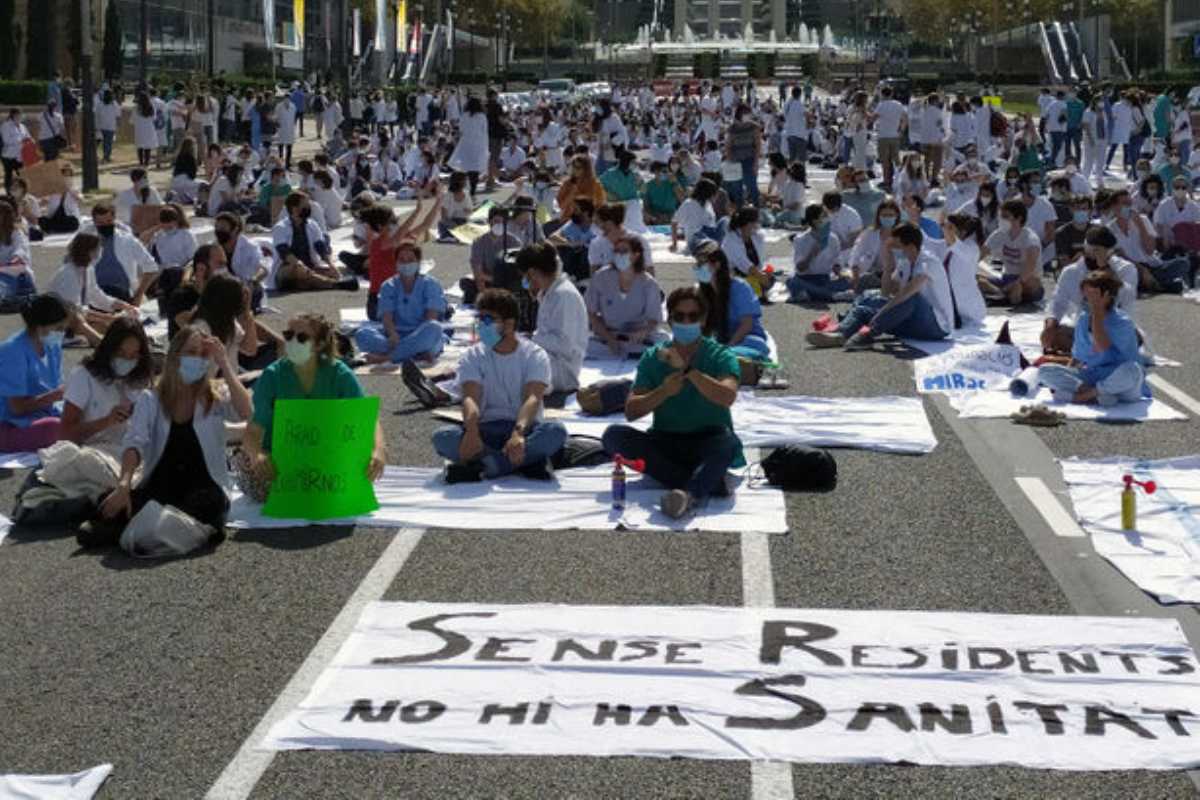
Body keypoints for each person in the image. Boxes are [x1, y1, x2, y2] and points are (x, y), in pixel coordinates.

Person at [75, 325, 252, 548]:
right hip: (163, 484)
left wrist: (224, 362)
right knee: (107, 507)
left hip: (203, 486)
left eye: (202, 354)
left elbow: (247, 412)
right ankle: (156, 527)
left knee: (208, 506)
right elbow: (134, 443)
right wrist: (123, 485)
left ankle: (145, 528)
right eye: (190, 352)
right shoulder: (151, 399)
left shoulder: (215, 395)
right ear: (174, 356)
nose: (197, 358)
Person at [600, 286, 742, 520]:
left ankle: (688, 494)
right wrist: (663, 392)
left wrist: (688, 371)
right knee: (613, 436)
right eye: (679, 316)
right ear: (670, 319)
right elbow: (631, 411)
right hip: (665, 440)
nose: (686, 322)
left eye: (693, 316)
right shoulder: (654, 356)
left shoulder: (720, 355)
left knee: (728, 443)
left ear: (703, 319)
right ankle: (704, 482)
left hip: (707, 439)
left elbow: (727, 396)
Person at [234, 313, 386, 502]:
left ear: (320, 344)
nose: (292, 342)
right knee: (250, 469)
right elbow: (253, 431)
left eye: (302, 337)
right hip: (281, 457)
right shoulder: (273, 375)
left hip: (326, 454)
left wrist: (378, 451)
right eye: (288, 335)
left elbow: (367, 417)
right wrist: (257, 455)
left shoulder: (338, 373)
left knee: (363, 463)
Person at [431, 289, 567, 483]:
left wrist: (518, 434)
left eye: (489, 320)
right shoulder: (472, 355)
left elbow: (533, 398)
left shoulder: (534, 355)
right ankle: (523, 463)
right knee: (442, 437)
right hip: (484, 431)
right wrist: (471, 431)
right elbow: (470, 398)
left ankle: (487, 466)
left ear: (509, 324)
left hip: (523, 429)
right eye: (480, 318)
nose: (481, 325)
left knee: (556, 432)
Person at [807, 222, 954, 349]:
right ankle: (839, 334)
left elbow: (906, 294)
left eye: (897, 245)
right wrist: (888, 263)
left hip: (935, 326)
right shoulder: (905, 262)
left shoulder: (929, 262)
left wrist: (881, 313)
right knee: (863, 309)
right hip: (912, 322)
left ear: (909, 245)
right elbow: (887, 291)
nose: (895, 249)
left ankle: (869, 333)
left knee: (911, 298)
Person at [1035, 273, 1147, 406]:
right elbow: (1077, 358)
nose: (1087, 298)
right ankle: (1094, 394)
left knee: (1132, 370)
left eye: (1092, 293)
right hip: (1093, 376)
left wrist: (1097, 313)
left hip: (1119, 380)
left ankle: (1084, 397)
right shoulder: (1084, 318)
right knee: (1044, 371)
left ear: (1107, 295)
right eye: (1085, 293)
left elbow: (1102, 348)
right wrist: (1069, 377)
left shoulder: (1122, 321)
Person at [60, 317, 153, 458]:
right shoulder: (84, 376)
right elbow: (65, 433)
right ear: (109, 349)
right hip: (93, 451)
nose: (127, 361)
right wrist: (106, 421)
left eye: (134, 355)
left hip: (131, 449)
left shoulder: (139, 376)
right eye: (121, 353)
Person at [1042, 227, 1139, 355]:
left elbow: (1126, 297)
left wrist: (1106, 268)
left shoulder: (1126, 269)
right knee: (1055, 336)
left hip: (1115, 329)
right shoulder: (1071, 272)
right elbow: (1058, 302)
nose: (1095, 256)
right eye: (1093, 251)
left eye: (1100, 251)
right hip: (1083, 328)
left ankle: (1096, 353)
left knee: (1133, 338)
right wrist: (1051, 323)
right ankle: (1089, 352)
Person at [354, 241, 447, 366]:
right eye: (402, 259)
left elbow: (431, 317)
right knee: (362, 334)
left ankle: (387, 357)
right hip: (395, 337)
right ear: (396, 263)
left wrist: (415, 339)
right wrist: (392, 334)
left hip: (421, 333)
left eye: (410, 259)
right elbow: (387, 317)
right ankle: (412, 353)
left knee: (434, 328)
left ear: (418, 262)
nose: (406, 263)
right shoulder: (388, 285)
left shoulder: (431, 284)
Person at [0, 294, 69, 451]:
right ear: (40, 327)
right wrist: (54, 396)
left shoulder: (52, 346)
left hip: (41, 414)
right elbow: (16, 408)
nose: (62, 333)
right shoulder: (12, 351)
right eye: (59, 328)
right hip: (8, 423)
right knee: (55, 428)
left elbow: (56, 389)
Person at [522, 242, 588, 395]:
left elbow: (564, 345)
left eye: (525, 276)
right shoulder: (550, 292)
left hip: (562, 371)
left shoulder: (563, 295)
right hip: (550, 360)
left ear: (532, 273)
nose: (525, 282)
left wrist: (531, 338)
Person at [584, 236, 664, 359]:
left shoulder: (648, 283)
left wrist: (642, 332)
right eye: (616, 251)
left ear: (636, 255)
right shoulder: (600, 277)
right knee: (584, 346)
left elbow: (654, 319)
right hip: (608, 335)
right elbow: (591, 313)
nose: (619, 255)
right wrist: (608, 338)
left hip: (638, 338)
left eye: (624, 252)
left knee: (663, 343)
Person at [271, 192, 358, 292]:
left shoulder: (312, 225)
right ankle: (335, 284)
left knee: (328, 272)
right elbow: (284, 252)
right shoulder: (280, 227)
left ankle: (307, 283)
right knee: (297, 269)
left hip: (309, 267)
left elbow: (320, 247)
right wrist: (300, 265)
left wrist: (331, 265)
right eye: (305, 205)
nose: (309, 207)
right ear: (294, 209)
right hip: (287, 269)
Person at [695, 245, 770, 361]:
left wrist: (728, 347)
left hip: (746, 339)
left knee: (737, 354)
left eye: (701, 265)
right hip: (720, 340)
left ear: (717, 265)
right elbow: (702, 326)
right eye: (697, 265)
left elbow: (747, 324)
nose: (697, 268)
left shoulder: (740, 287)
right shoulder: (701, 291)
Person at [87, 203, 159, 305]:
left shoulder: (127, 240)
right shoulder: (85, 241)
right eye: (100, 223)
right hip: (94, 297)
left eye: (108, 221)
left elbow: (151, 268)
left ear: (114, 219)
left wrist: (138, 296)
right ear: (94, 222)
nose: (105, 225)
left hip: (124, 296)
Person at [979, 200, 1045, 306]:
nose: (1001, 220)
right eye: (1001, 216)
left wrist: (1017, 283)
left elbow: (1031, 266)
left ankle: (1003, 295)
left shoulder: (1030, 238)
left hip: (1025, 280)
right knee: (977, 280)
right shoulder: (998, 234)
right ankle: (1003, 294)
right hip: (1007, 278)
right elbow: (980, 254)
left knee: (1029, 283)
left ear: (1019, 218)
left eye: (1005, 216)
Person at [464, 205, 523, 303]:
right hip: (489, 283)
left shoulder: (515, 242)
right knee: (467, 285)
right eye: (496, 221)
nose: (499, 224)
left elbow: (518, 272)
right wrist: (485, 296)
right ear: (489, 221)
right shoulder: (479, 242)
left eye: (502, 222)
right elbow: (478, 274)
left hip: (507, 283)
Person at [942, 213, 987, 329]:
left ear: (963, 231)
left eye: (950, 227)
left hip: (970, 310)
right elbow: (928, 243)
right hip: (953, 304)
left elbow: (955, 244)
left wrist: (949, 232)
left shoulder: (971, 248)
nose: (944, 230)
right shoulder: (948, 246)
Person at [721, 207, 774, 300]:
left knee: (770, 277)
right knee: (748, 284)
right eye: (757, 222)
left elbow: (760, 261)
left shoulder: (757, 236)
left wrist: (765, 273)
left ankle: (757, 290)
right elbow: (744, 264)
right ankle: (755, 291)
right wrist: (761, 276)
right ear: (749, 224)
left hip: (752, 275)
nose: (759, 225)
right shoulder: (731, 240)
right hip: (735, 274)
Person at [449, 97, 490, 196]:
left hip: (466, 143)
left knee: (465, 167)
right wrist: (486, 145)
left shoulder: (464, 116)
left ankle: (462, 187)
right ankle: (473, 189)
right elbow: (484, 131)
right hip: (478, 144)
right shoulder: (482, 116)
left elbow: (461, 130)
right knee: (475, 168)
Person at [556, 154, 607, 223]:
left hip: (589, 222)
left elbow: (600, 206)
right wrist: (572, 193)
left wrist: (584, 198)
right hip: (568, 220)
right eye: (573, 166)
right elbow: (561, 206)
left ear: (586, 169)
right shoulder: (567, 183)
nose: (575, 170)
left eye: (578, 167)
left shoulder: (595, 184)